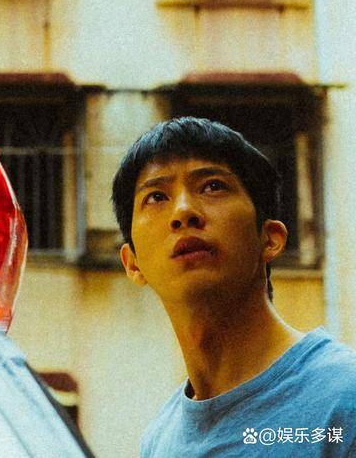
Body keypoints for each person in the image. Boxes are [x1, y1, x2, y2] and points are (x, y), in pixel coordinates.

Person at [111, 117, 356, 457]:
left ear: (270, 238)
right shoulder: (159, 442)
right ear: (133, 263)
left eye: (212, 186)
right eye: (155, 197)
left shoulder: (344, 400)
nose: (183, 211)